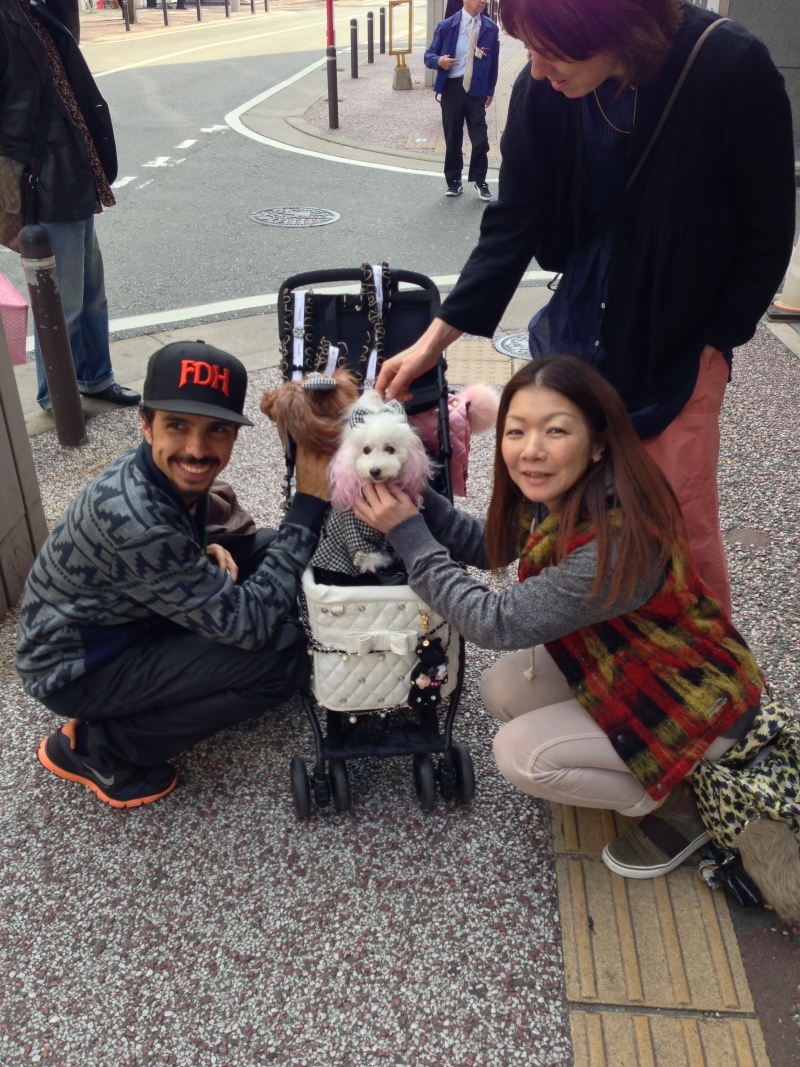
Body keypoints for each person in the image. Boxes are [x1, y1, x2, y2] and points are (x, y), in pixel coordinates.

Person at [380, 0, 797, 619]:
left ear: (613, 26)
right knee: (560, 510)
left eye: (551, 50)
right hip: (577, 329)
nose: (536, 70)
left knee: (675, 521)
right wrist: (430, 344)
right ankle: (580, 656)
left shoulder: (730, 66)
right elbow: (513, 221)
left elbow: (769, 227)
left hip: (675, 345)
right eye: (529, 47)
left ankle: (695, 668)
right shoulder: (544, 88)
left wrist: (718, 339)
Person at [353, 356, 766, 879]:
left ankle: (680, 803)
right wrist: (417, 494)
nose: (532, 450)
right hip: (631, 662)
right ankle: (625, 756)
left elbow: (495, 622)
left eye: (556, 430)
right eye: (517, 431)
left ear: (598, 442)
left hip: (694, 700)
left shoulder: (615, 540)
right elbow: (489, 545)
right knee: (503, 690)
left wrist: (407, 533)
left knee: (521, 755)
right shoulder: (571, 490)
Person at [15, 341, 330, 808]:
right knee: (279, 659)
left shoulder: (159, 471)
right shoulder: (137, 518)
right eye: (177, 425)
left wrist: (199, 549)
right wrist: (308, 503)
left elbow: (162, 544)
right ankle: (101, 752)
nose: (197, 450)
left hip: (121, 618)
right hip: (76, 668)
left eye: (217, 429)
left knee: (263, 546)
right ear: (145, 424)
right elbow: (249, 627)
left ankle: (175, 685)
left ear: (234, 435)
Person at [0, 0, 140, 410]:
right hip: (42, 177)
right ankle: (58, 396)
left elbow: (69, 46)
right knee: (63, 302)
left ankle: (95, 377)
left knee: (91, 293)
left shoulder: (35, 10)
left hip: (73, 172)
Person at [424, 0, 499, 201]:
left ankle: (480, 180)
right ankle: (454, 180)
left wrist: (490, 89)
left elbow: (494, 62)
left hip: (476, 89)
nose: (483, 1)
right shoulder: (447, 26)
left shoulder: (490, 28)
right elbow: (428, 55)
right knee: (453, 137)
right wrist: (439, 61)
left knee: (480, 139)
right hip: (452, 88)